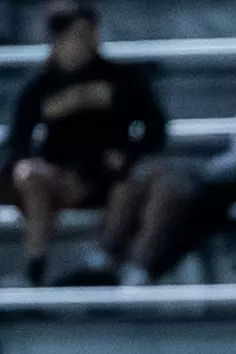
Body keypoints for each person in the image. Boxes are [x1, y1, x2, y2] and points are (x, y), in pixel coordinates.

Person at [107, 24, 236, 285]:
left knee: (184, 194)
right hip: (230, 173)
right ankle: (122, 256)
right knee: (154, 180)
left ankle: (144, 263)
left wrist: (210, 170)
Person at [2, 2, 164, 286]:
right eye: (78, 33)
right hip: (59, 177)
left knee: (130, 182)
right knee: (28, 174)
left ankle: (105, 259)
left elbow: (156, 129)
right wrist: (43, 167)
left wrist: (128, 153)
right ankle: (35, 263)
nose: (87, 40)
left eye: (91, 32)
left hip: (109, 177)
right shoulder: (39, 85)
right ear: (58, 38)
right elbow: (18, 143)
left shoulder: (122, 78)